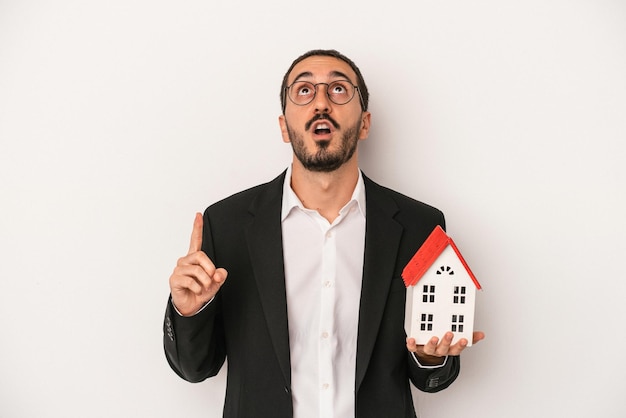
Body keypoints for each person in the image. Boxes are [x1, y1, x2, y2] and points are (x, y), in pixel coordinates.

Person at [163, 49, 484, 418]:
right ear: (284, 126)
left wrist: (429, 356)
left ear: (364, 123)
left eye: (338, 89)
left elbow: (431, 378)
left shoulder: (420, 227)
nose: (320, 102)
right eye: (303, 90)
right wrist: (189, 312)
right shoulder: (228, 224)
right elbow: (195, 368)